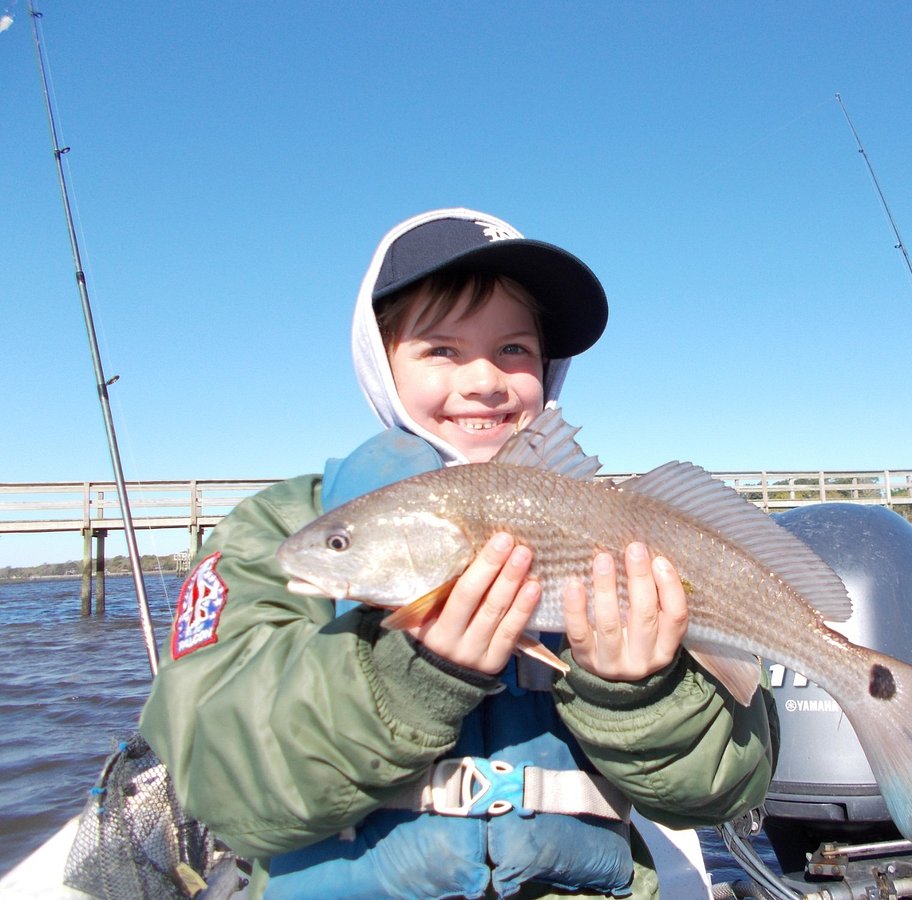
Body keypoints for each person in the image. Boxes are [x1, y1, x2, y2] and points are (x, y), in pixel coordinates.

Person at [139, 208, 776, 899]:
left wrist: (639, 694)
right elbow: (224, 789)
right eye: (441, 349)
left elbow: (722, 793)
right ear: (379, 366)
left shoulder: (621, 521)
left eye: (514, 350)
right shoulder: (272, 529)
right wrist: (403, 677)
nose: (485, 382)